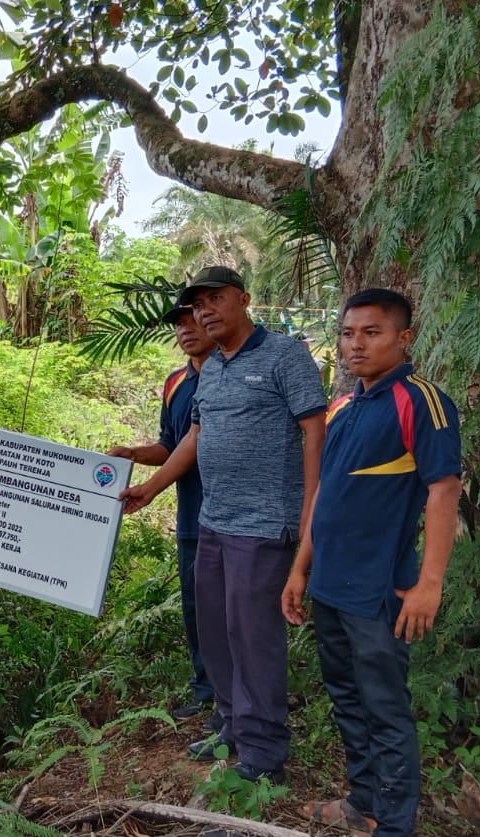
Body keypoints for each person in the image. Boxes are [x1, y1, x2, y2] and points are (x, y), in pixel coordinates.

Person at [119, 265, 326, 784]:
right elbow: (195, 435)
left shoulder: (285, 356)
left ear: (243, 299)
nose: (205, 311)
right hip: (213, 521)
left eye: (215, 299)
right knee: (214, 630)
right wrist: (152, 487)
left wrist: (308, 517)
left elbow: (315, 435)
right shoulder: (210, 368)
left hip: (263, 525)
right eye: (197, 304)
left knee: (253, 636)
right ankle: (232, 725)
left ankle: (263, 753)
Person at [282, 288, 461, 837]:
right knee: (345, 695)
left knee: (384, 704)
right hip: (330, 584)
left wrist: (429, 584)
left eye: (372, 332)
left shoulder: (421, 402)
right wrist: (299, 570)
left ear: (404, 338)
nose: (355, 344)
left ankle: (395, 831)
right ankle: (362, 803)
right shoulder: (342, 407)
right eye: (347, 333)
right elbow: (325, 498)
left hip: (380, 589)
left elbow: (443, 490)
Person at [108, 305, 218, 725]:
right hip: (191, 516)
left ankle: (231, 701)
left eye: (193, 320)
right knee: (196, 607)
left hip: (232, 518)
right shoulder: (176, 383)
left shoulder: (228, 376)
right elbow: (173, 446)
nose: (186, 330)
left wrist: (151, 489)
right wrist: (133, 454)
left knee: (225, 609)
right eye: (178, 324)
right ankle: (205, 688)